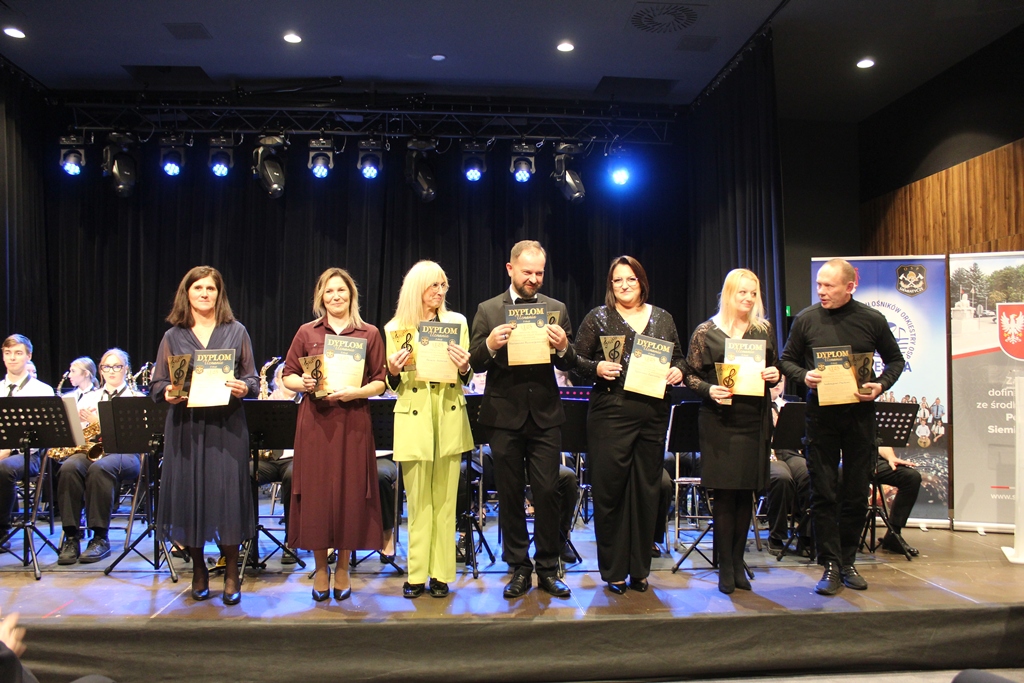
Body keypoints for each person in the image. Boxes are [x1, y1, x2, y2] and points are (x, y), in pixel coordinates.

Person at [778, 258, 905, 596]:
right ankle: (830, 564)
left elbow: (896, 360)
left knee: (856, 493)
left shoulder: (872, 319)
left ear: (850, 287)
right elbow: (786, 360)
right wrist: (804, 376)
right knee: (824, 492)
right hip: (820, 419)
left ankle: (848, 561)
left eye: (828, 286)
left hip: (859, 419)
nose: (821, 291)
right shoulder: (806, 319)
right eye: (818, 284)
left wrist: (880, 384)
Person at [468, 240, 576, 599]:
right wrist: (491, 345)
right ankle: (518, 567)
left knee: (547, 491)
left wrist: (563, 346)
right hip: (503, 416)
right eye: (527, 272)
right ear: (510, 269)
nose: (534, 278)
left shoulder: (556, 308)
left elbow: (570, 361)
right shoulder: (488, 310)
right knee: (510, 494)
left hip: (545, 415)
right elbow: (473, 361)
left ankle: (547, 567)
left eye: (539, 273)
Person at [574, 255, 684, 594]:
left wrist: (678, 371)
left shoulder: (663, 318)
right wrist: (596, 369)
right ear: (611, 285)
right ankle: (614, 571)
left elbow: (680, 358)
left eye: (631, 279)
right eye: (618, 280)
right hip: (610, 413)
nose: (624, 285)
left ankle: (639, 569)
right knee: (611, 492)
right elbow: (575, 361)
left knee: (647, 491)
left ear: (641, 282)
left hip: (653, 414)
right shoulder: (598, 317)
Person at [151, 266, 258, 605]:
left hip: (227, 427)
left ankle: (231, 572)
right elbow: (157, 384)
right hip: (187, 427)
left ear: (218, 294)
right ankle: (198, 569)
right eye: (198, 288)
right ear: (187, 293)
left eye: (210, 288)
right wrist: (167, 392)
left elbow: (253, 380)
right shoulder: (173, 336)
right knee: (190, 496)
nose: (204, 294)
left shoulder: (236, 331)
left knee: (227, 498)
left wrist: (245, 388)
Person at [282, 267, 386, 602]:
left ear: (351, 295)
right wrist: (303, 383)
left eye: (341, 290)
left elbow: (380, 381)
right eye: (329, 291)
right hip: (315, 423)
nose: (336, 296)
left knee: (350, 494)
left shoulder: (369, 333)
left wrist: (357, 392)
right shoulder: (307, 332)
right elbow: (287, 375)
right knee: (316, 496)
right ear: (321, 297)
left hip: (353, 423)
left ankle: (342, 568)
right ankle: (320, 569)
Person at [684, 268, 779, 594]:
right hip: (720, 421)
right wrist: (709, 389)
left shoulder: (763, 330)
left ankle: (739, 563)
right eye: (743, 292)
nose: (749, 298)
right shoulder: (706, 332)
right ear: (729, 294)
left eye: (753, 293)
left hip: (754, 419)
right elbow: (689, 374)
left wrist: (775, 374)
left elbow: (775, 367)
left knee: (746, 494)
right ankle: (725, 566)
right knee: (725, 495)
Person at [384, 260, 474, 599]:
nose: (440, 291)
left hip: (448, 414)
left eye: (443, 285)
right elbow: (392, 383)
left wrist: (464, 367)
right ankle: (416, 574)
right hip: (414, 417)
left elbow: (466, 375)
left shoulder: (457, 322)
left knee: (446, 502)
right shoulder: (396, 328)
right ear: (416, 288)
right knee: (418, 502)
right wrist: (393, 372)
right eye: (433, 285)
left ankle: (441, 574)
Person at [56, 349, 143, 565]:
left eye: (117, 366)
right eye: (106, 367)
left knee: (99, 469)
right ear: (101, 370)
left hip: (126, 453)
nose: (111, 371)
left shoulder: (136, 399)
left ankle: (99, 537)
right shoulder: (89, 398)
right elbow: (78, 434)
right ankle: (71, 536)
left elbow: (136, 436)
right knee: (69, 467)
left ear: (126, 369)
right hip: (94, 450)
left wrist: (100, 422)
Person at [0, 335, 55, 548]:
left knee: (4, 469)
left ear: (28, 356)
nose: (12, 358)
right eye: (8, 353)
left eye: (18, 353)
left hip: (28, 454)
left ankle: (2, 530)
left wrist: (8, 449)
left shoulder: (42, 390)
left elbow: (45, 434)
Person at [765, 376, 810, 554]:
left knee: (809, 473)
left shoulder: (789, 407)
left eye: (781, 381)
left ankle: (806, 536)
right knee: (781, 477)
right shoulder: (757, 408)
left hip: (789, 452)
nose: (777, 385)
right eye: (774, 382)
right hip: (767, 454)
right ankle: (776, 535)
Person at [873, 446, 922, 556]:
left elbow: (882, 443)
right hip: (843, 460)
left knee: (911, 477)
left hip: (871, 460)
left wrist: (891, 457)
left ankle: (893, 535)